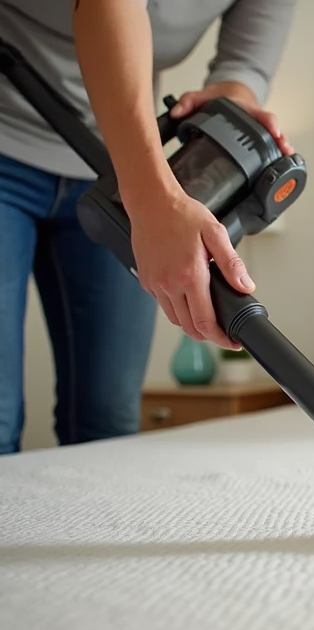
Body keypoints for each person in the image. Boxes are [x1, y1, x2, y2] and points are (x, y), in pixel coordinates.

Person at [0, 0, 296, 455]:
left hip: (119, 161)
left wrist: (234, 99)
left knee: (108, 419)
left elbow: (242, 69)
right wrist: (154, 198)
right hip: (13, 127)